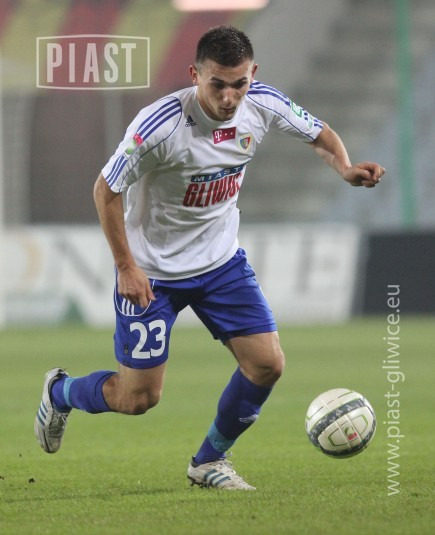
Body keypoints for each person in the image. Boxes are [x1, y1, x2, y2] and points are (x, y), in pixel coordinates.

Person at [34, 26, 385, 490]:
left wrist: (345, 167)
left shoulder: (263, 102)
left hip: (220, 264)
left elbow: (319, 134)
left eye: (239, 84)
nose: (228, 97)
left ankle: (209, 460)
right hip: (153, 273)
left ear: (253, 74)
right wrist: (126, 267)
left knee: (267, 364)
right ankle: (60, 392)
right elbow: (106, 189)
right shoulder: (158, 126)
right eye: (217, 84)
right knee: (138, 399)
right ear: (194, 74)